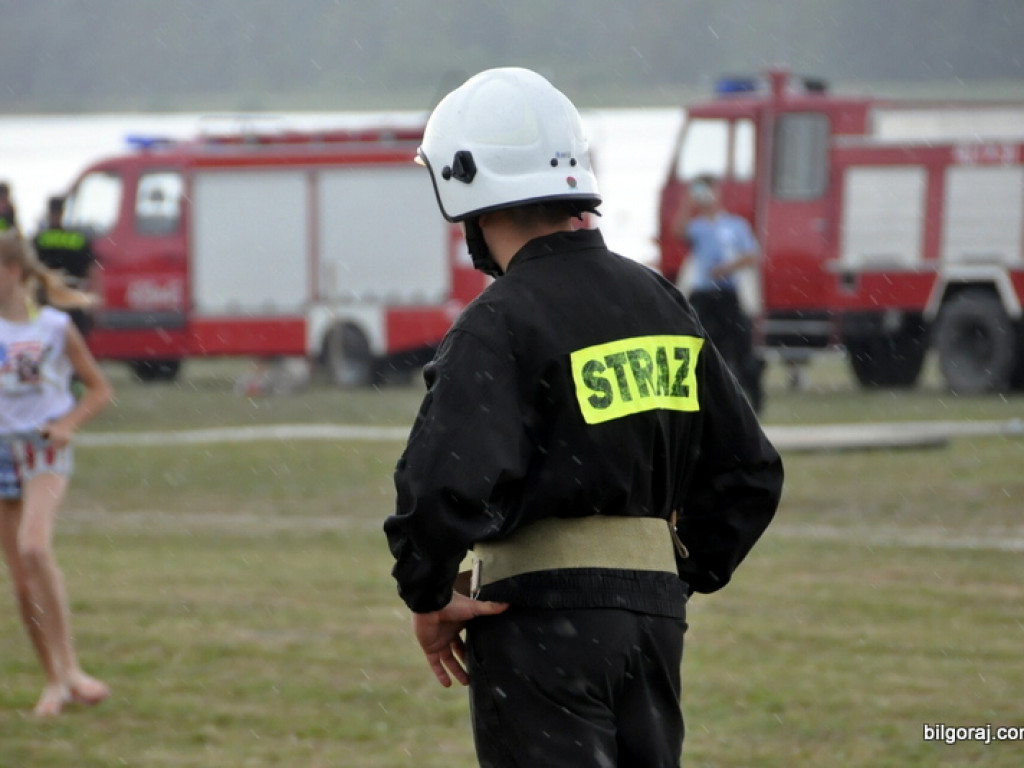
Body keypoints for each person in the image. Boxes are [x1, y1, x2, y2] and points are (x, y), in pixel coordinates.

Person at [384, 68, 783, 767]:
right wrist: (666, 576)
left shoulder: (498, 323)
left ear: (463, 192)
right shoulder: (661, 303)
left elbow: (443, 483)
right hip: (654, 626)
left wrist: (428, 590)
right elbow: (748, 472)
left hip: (537, 623)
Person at [0, 230, 113, 717]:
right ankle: (54, 681)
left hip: (43, 449)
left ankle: (71, 670)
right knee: (22, 584)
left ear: (14, 271)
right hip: (2, 452)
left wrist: (67, 425)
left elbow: (99, 389)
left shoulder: (53, 327)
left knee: (34, 546)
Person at [672, 175, 765, 412]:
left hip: (728, 294)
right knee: (702, 345)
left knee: (741, 346)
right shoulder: (698, 226)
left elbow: (752, 255)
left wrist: (728, 267)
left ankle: (753, 397)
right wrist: (687, 204)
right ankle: (706, 400)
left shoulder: (735, 225)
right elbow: (678, 232)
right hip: (704, 294)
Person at [34, 195, 97, 337]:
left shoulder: (39, 240)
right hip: (74, 298)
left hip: (48, 300)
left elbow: (30, 270)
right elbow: (92, 270)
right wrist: (94, 300)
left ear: (49, 212)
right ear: (63, 212)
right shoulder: (78, 239)